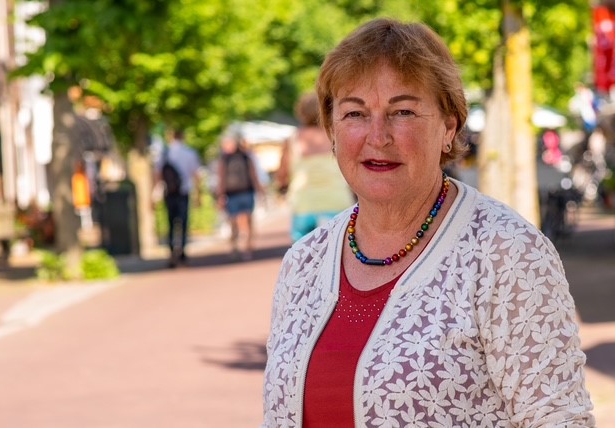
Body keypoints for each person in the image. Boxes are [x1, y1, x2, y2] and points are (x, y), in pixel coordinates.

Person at [262, 18, 595, 427]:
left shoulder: (506, 253)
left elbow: (559, 419)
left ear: (449, 126)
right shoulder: (303, 263)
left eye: (402, 111)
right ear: (332, 129)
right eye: (355, 113)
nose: (377, 136)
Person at [276, 92, 355, 242]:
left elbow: (282, 174)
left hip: (304, 204)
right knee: (339, 251)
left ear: (301, 113)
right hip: (337, 202)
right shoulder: (336, 135)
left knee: (303, 254)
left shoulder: (292, 139)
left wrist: (282, 187)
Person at [154, 129, 201, 268]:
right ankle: (182, 252)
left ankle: (171, 252)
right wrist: (198, 194)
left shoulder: (164, 153)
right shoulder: (189, 153)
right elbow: (196, 174)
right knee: (183, 223)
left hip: (169, 193)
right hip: (184, 192)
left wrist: (156, 192)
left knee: (171, 223)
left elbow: (157, 174)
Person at [216, 132, 263, 261]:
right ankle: (244, 248)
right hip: (242, 192)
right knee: (242, 221)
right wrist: (259, 190)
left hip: (237, 193)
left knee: (239, 221)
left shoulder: (226, 159)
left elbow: (221, 178)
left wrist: (220, 195)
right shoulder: (245, 157)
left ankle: (239, 247)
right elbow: (253, 174)